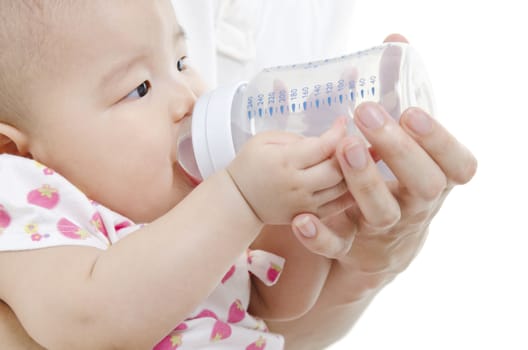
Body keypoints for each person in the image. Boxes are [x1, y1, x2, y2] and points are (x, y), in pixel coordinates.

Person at [0, 1, 478, 350]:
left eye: (182, 62)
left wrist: (318, 207)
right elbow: (89, 322)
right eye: (139, 88)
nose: (187, 97)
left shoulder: (193, 202)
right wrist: (241, 201)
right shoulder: (30, 205)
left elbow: (276, 302)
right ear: (16, 149)